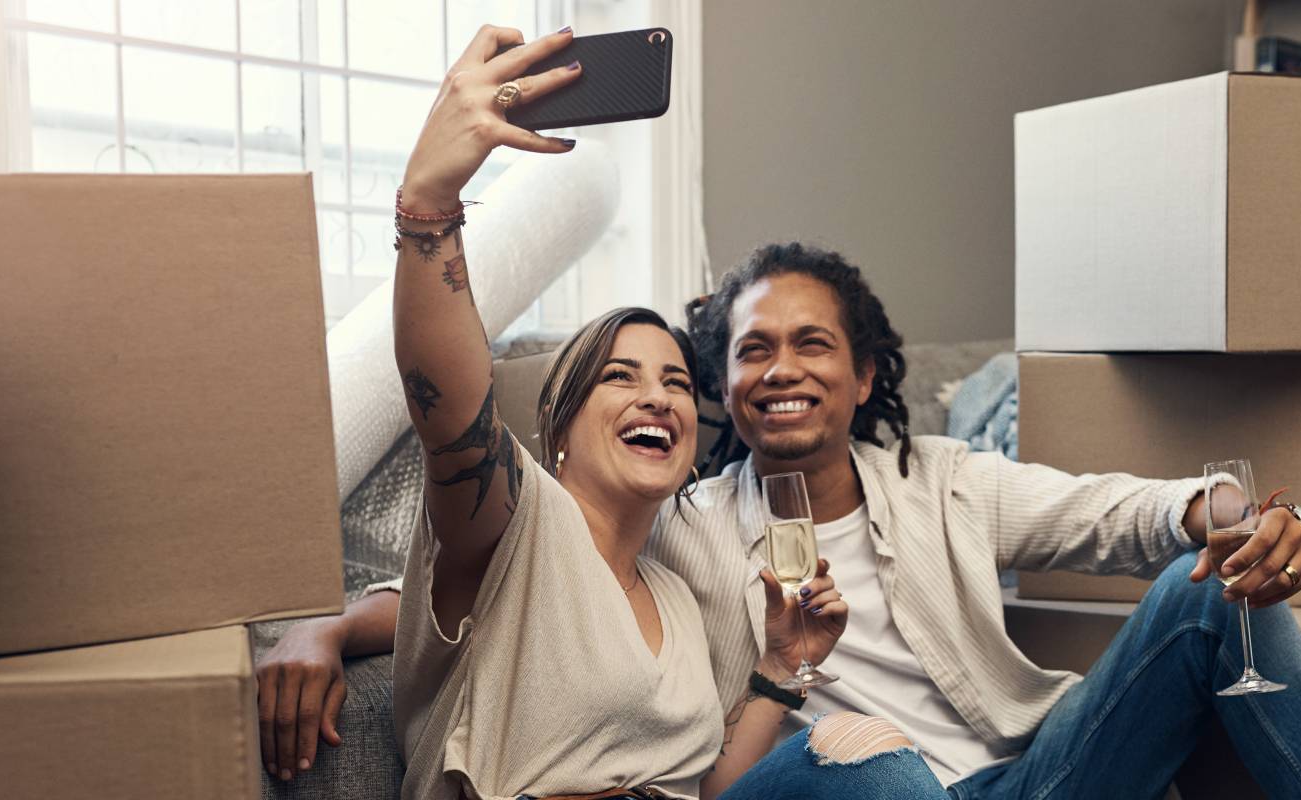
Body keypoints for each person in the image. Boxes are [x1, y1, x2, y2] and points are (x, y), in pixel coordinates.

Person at [262, 42, 1301, 800]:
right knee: (866, 755)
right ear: (728, 392)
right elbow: (485, 550)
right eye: (748, 350)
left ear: (864, 376)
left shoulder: (949, 478)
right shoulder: (690, 524)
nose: (778, 370)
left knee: (1219, 588)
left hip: (1032, 776)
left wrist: (1234, 510)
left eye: (810, 345)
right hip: (863, 779)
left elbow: (1123, 514)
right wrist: (320, 626)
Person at [293, 23, 947, 800]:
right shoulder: (520, 529)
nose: (658, 396)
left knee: (865, 747)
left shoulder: (673, 592)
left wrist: (777, 668)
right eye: (621, 377)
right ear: (558, 428)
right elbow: (453, 415)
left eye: (676, 380)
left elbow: (708, 791)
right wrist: (431, 203)